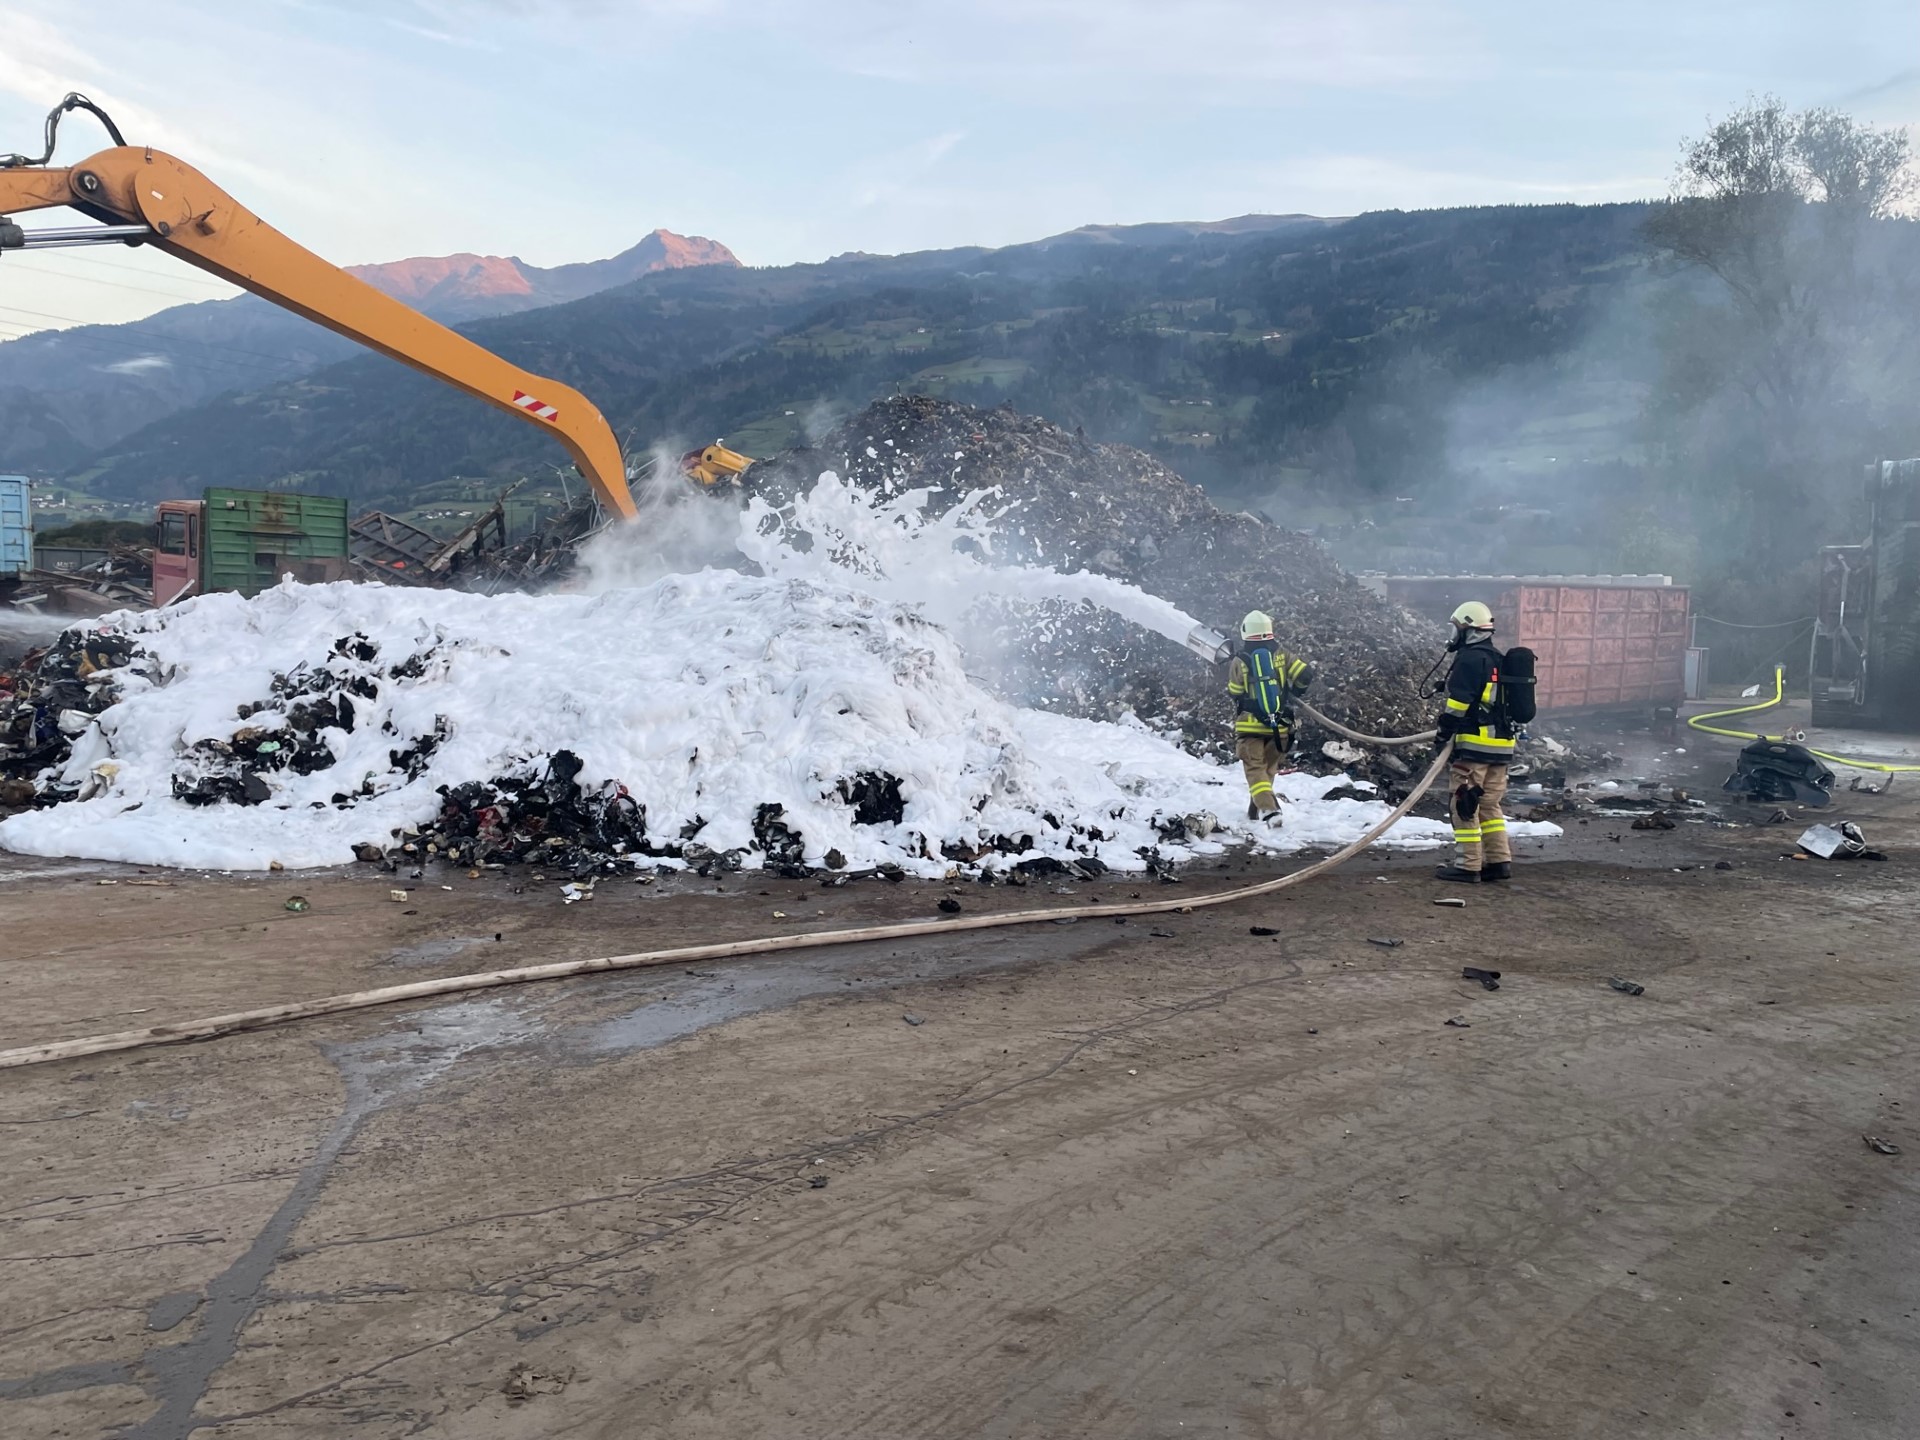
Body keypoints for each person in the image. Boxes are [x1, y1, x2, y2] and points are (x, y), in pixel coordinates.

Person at [1433, 601, 1514, 882]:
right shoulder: (1498, 658)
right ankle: (1499, 862)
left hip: (1474, 747)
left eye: (1457, 628)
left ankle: (1468, 866)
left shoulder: (1469, 660)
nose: (1454, 634)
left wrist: (1444, 732)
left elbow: (1458, 704)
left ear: (1468, 629)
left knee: (1464, 803)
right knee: (1490, 805)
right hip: (1502, 747)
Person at [1227, 611, 1312, 825]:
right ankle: (1255, 812)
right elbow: (1305, 674)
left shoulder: (1241, 659)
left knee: (1255, 770)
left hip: (1250, 728)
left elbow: (1235, 691)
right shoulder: (1282, 654)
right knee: (1267, 771)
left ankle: (1269, 810)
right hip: (1280, 727)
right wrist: (1296, 692)